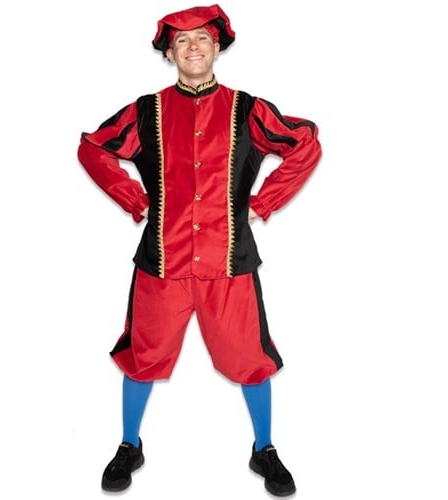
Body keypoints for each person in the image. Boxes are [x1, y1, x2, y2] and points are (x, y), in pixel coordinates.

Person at [77, 4, 321, 496]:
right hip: (161, 262)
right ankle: (129, 444)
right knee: (142, 355)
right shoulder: (146, 112)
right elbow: (93, 147)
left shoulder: (247, 110)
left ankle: (264, 449)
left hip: (230, 262)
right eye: (182, 41)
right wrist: (135, 199)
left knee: (249, 357)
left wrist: (263, 203)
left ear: (217, 47)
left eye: (203, 39)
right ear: (170, 53)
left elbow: (305, 143)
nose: (193, 47)